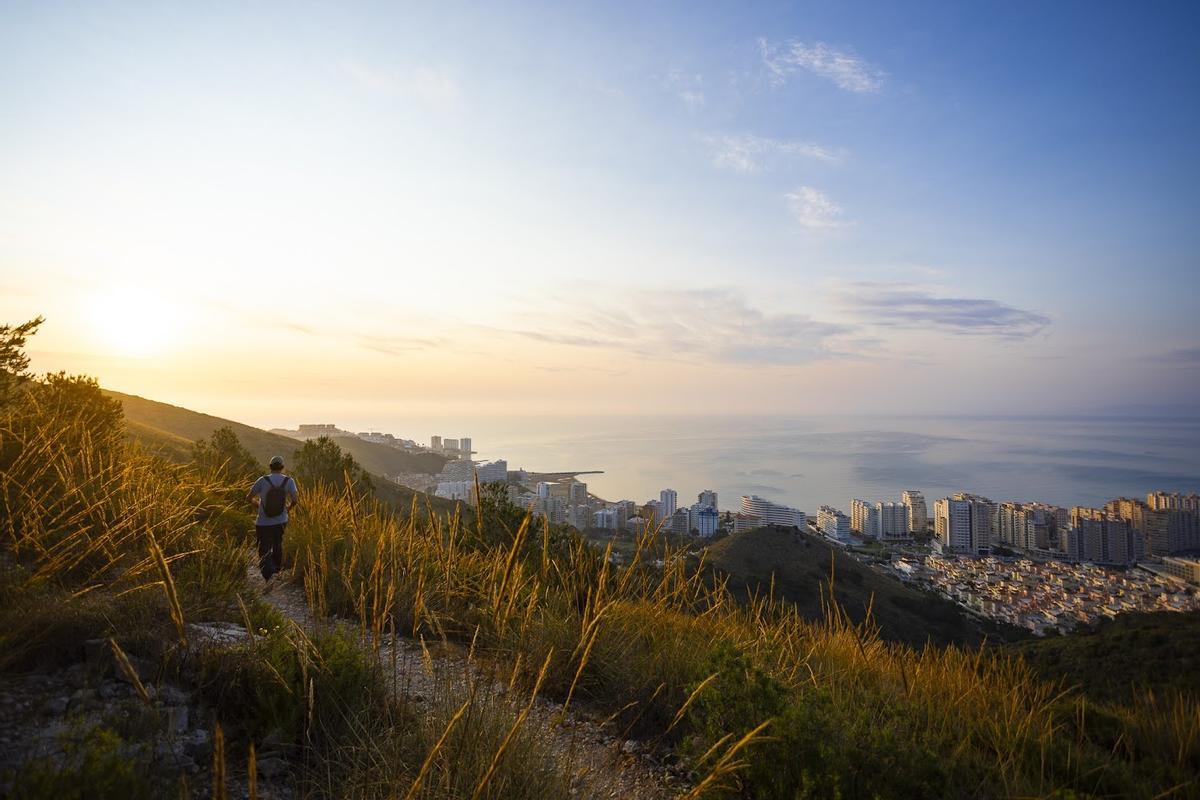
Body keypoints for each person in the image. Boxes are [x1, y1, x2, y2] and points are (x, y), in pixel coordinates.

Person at [247, 455, 299, 584]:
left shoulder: (262, 480)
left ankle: (267, 575)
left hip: (263, 522)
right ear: (282, 467)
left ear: (270, 467)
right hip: (281, 520)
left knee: (263, 547)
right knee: (277, 544)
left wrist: (258, 505)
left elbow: (249, 497)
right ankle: (276, 570)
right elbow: (295, 500)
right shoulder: (289, 481)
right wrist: (288, 509)